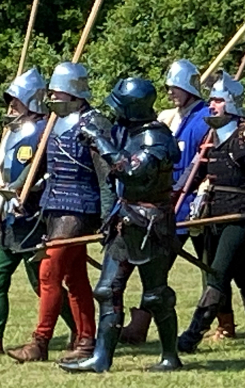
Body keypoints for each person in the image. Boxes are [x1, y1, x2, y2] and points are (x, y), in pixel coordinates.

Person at [59, 78, 182, 372]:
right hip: (124, 220)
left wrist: (100, 142)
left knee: (156, 295)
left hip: (150, 225)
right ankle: (101, 358)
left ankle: (170, 356)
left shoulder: (155, 137)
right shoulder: (126, 131)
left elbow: (133, 172)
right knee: (107, 290)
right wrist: (97, 139)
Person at [7, 63, 113, 363]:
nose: (51, 98)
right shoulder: (53, 122)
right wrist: (17, 189)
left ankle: (40, 342)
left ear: (73, 92)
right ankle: (86, 339)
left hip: (79, 208)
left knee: (48, 272)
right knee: (74, 276)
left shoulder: (94, 123)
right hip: (53, 206)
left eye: (56, 93)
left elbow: (106, 176)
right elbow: (37, 164)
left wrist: (107, 217)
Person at [118, 59, 221, 345]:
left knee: (215, 267)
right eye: (168, 87)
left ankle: (230, 323)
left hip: (194, 205)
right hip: (171, 201)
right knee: (161, 267)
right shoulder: (177, 117)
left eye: (175, 87)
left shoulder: (205, 119)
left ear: (189, 88)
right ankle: (140, 325)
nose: (170, 92)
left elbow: (205, 162)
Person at [177, 72, 245, 352]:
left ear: (231, 103)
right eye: (211, 100)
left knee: (217, 274)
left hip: (239, 216)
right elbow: (191, 175)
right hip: (215, 215)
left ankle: (192, 335)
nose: (212, 105)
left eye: (218, 100)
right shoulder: (211, 136)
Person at [0, 69, 75, 353]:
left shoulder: (46, 131)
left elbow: (46, 172)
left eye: (16, 100)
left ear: (31, 101)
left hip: (34, 217)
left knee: (43, 282)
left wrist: (24, 188)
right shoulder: (12, 131)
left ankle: (81, 331)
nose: (11, 106)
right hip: (8, 217)